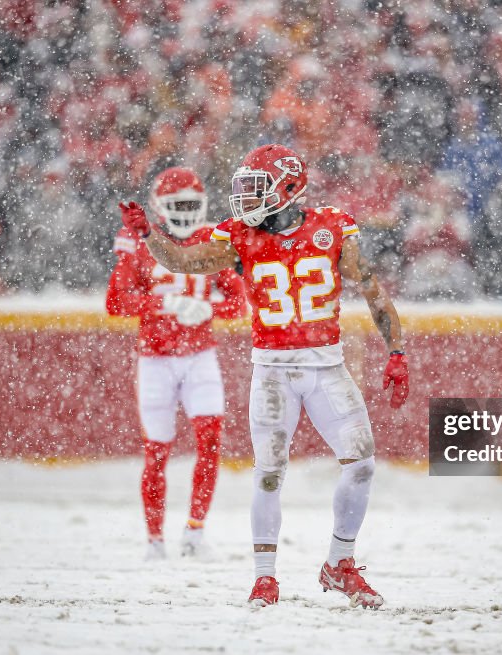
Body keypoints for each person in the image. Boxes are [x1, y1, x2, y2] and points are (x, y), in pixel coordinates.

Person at [118, 144, 409, 609]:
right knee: (269, 474)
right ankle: (264, 578)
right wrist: (151, 237)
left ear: (290, 188)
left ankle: (339, 564)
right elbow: (182, 261)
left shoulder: (332, 226)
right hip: (273, 368)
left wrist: (396, 350)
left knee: (362, 464)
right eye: (243, 190)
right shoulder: (239, 236)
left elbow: (371, 288)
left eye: (256, 190)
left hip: (326, 364)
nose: (246, 201)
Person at [105, 167, 246, 560]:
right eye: (178, 204)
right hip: (155, 360)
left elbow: (238, 304)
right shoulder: (139, 242)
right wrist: (163, 303)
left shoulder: (214, 241)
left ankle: (195, 533)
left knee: (210, 443)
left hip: (200, 355)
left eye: (190, 204)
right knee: (157, 452)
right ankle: (154, 540)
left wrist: (207, 306)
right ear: (159, 207)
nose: (185, 212)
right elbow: (115, 303)